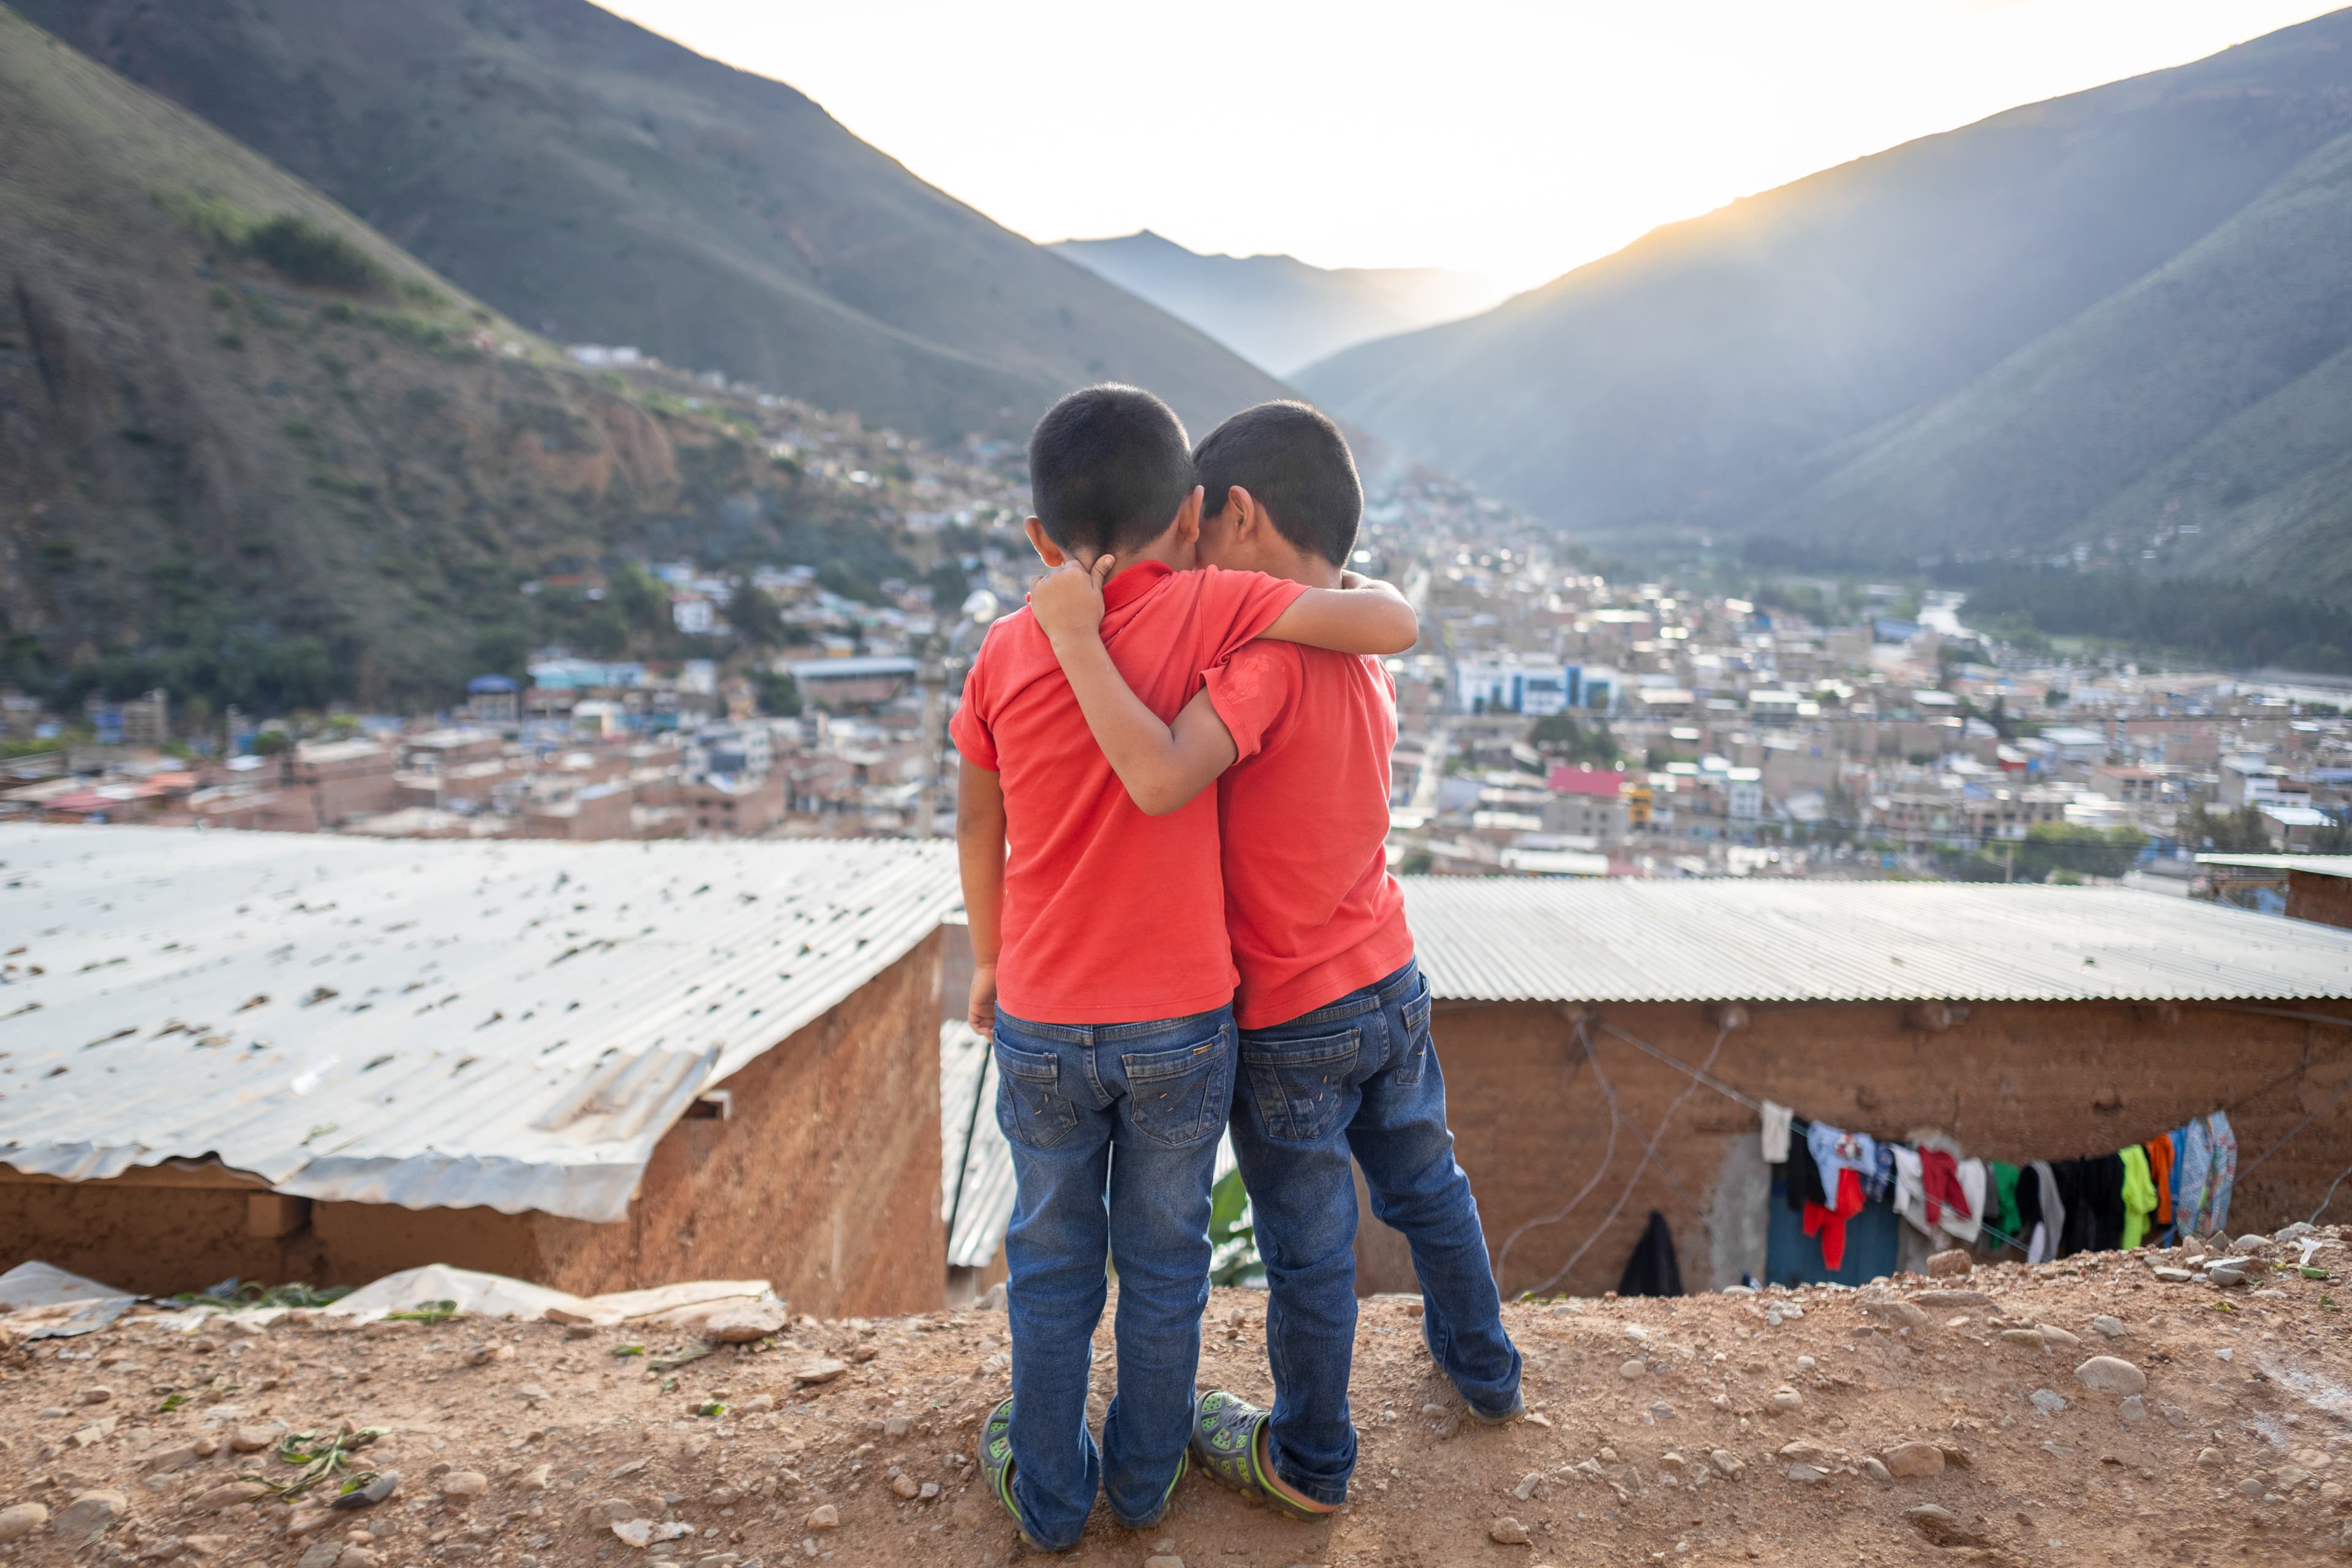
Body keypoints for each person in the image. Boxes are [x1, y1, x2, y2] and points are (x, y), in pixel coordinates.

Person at [1025, 399, 1522, 1523]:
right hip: (1390, 979)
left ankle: (1313, 1456)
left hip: (1292, 1017)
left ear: (1238, 514)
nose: (1188, 552)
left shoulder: (1261, 660)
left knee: (1310, 1250)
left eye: (1201, 533)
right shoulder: (1358, 646)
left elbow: (1162, 774)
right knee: (1428, 1183)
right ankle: (1487, 1370)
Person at [952, 385, 1420, 1552]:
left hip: (1047, 1015)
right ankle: (1148, 1482)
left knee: (1053, 1263)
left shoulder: (1007, 648)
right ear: (1195, 510)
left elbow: (978, 822)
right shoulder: (1217, 607)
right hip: (1182, 1020)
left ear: (1041, 541)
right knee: (1165, 1265)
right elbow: (1378, 628)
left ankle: (1052, 1495)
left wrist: (990, 959)